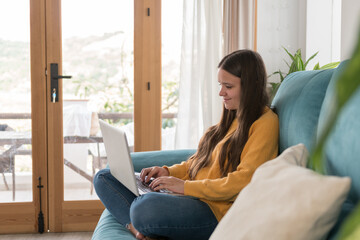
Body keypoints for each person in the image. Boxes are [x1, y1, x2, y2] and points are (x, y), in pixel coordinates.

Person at [94, 49, 279, 240]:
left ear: (251, 86)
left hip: (215, 211)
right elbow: (196, 163)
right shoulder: (230, 119)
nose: (221, 92)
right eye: (220, 84)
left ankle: (142, 221)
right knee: (104, 176)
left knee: (144, 207)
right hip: (192, 197)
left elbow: (244, 181)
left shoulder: (265, 123)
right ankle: (139, 231)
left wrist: (185, 187)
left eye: (228, 86)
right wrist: (167, 172)